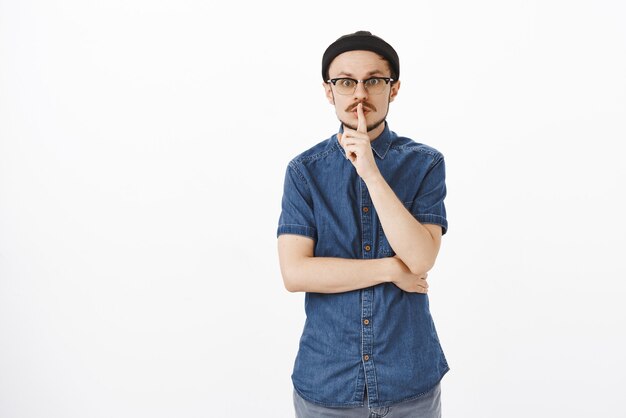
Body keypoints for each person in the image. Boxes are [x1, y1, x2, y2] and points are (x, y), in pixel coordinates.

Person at [277, 30, 449, 418]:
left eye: (374, 80)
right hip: (328, 383)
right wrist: (391, 269)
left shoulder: (425, 163)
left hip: (409, 381)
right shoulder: (304, 172)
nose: (359, 94)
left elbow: (421, 259)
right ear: (328, 90)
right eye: (345, 82)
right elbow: (295, 272)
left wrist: (371, 172)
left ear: (395, 88)